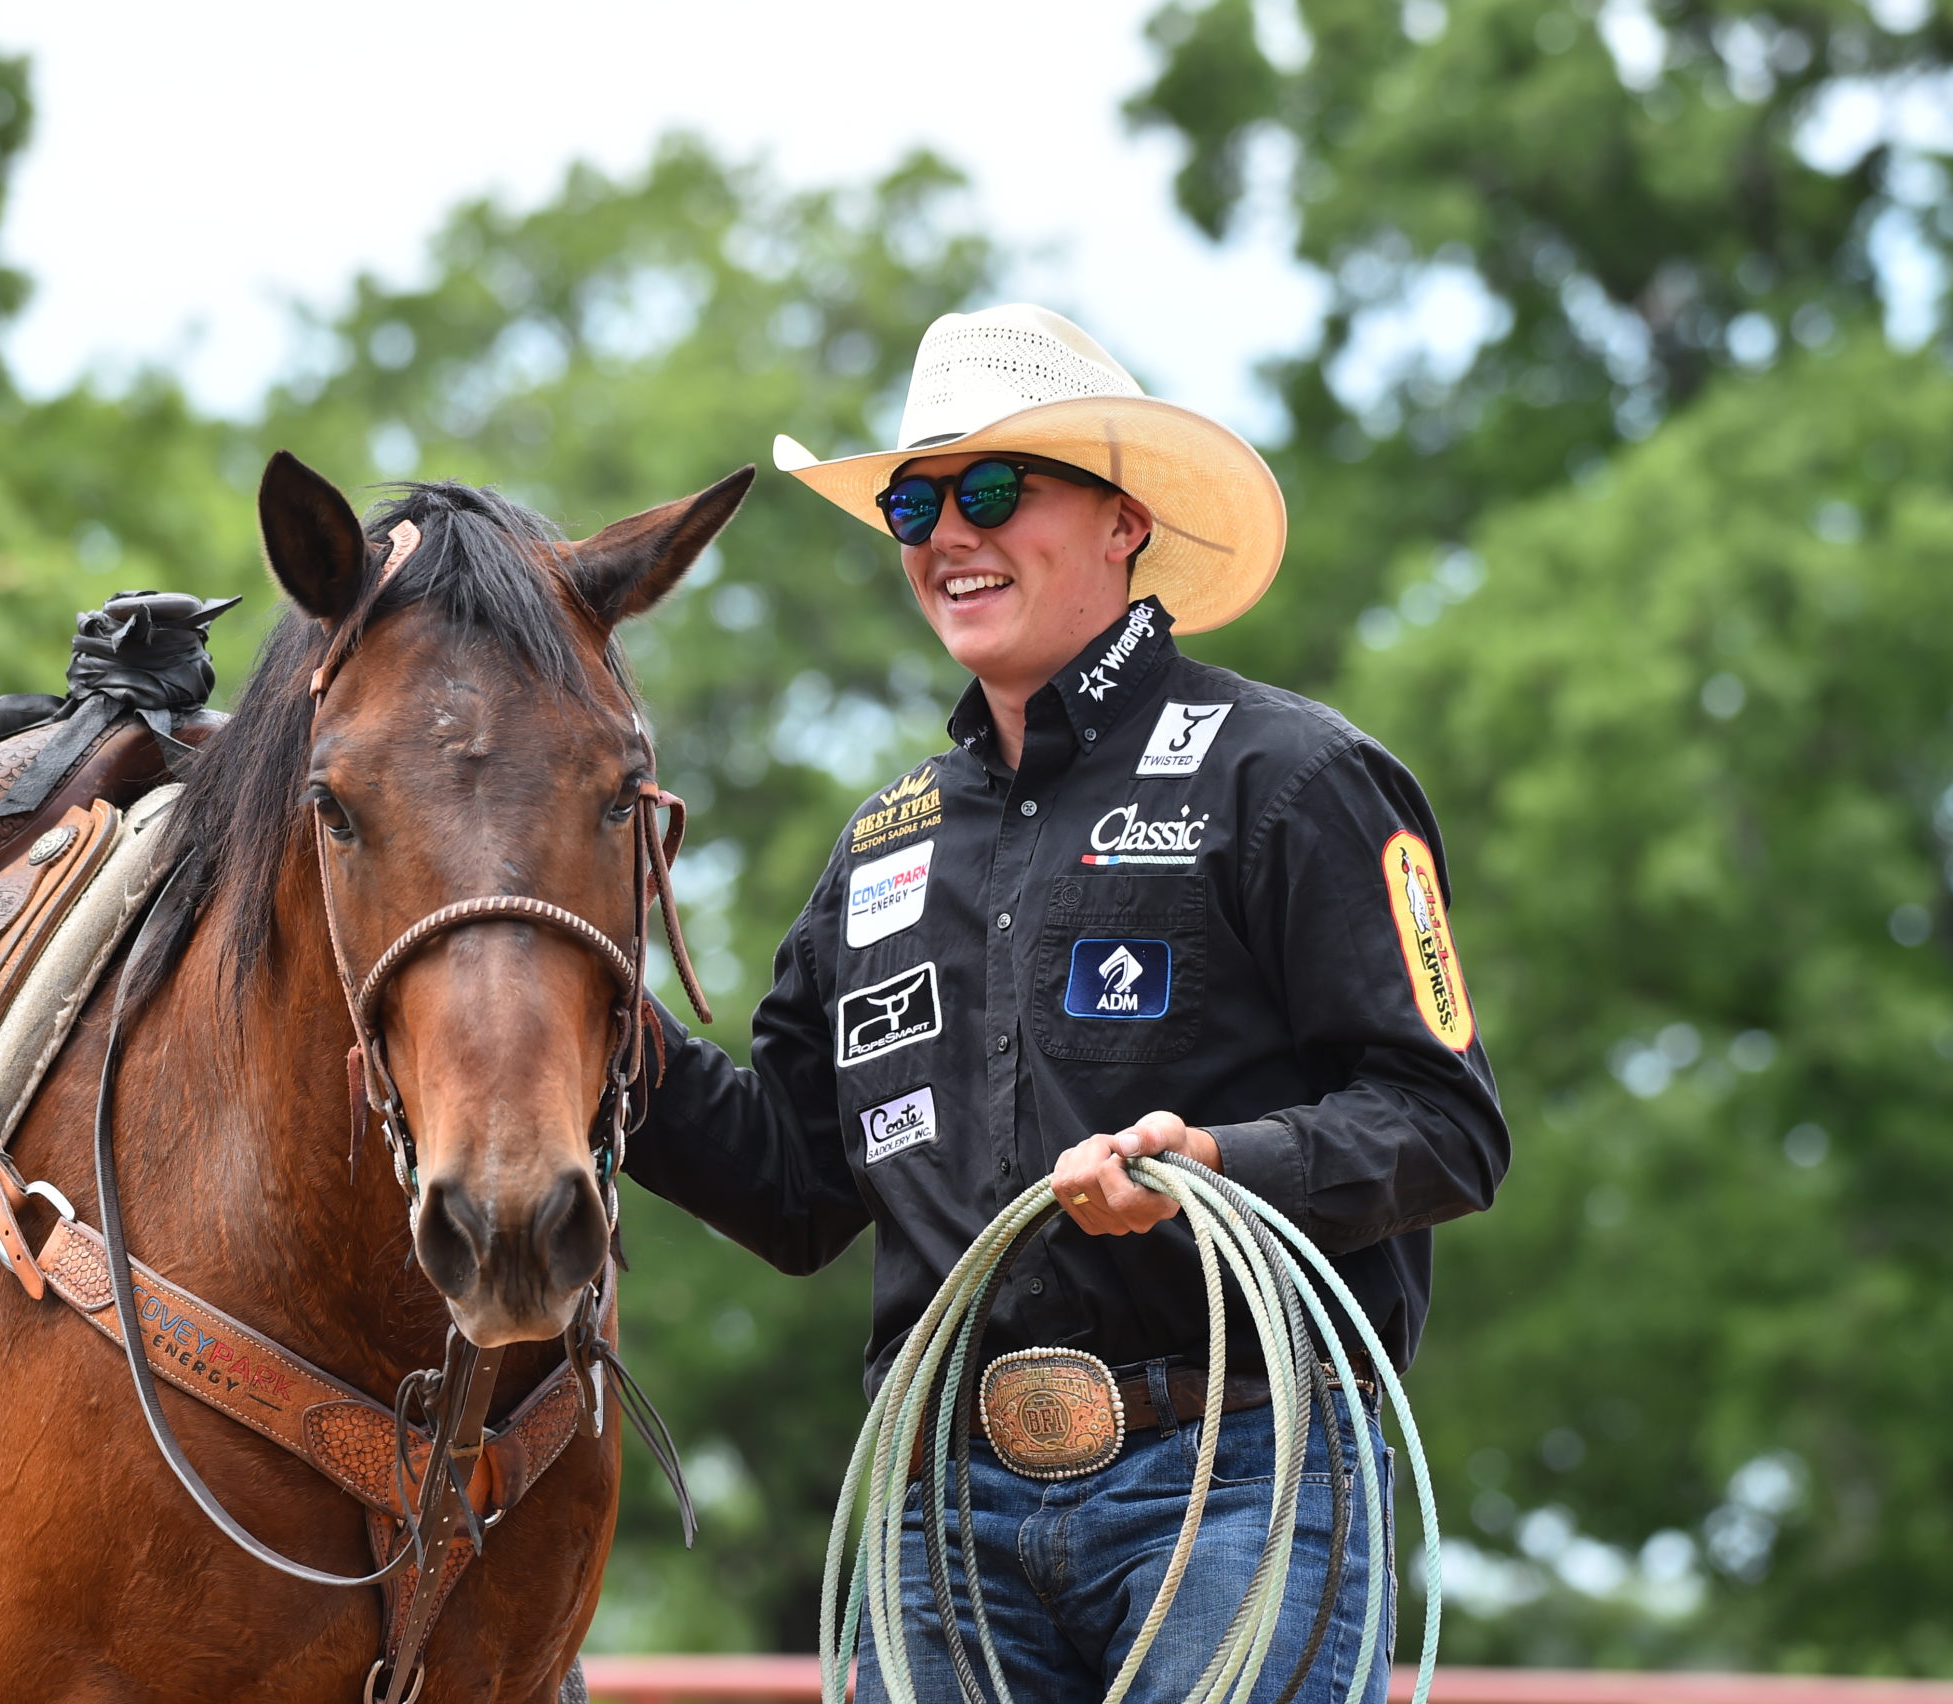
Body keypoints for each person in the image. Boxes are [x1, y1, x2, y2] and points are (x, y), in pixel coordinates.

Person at [623, 303, 1508, 1701]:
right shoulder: (883, 844)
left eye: (992, 489)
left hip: (1234, 1478)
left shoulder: (1295, 776)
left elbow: (1448, 1127)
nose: (946, 535)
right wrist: (569, 1010)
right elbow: (793, 1191)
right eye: (917, 501)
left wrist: (1218, 1168)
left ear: (1123, 521)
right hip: (935, 1513)